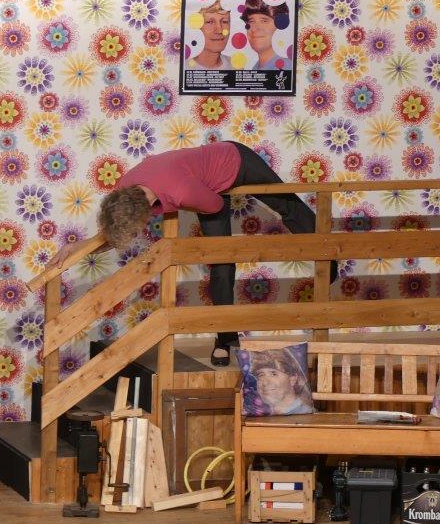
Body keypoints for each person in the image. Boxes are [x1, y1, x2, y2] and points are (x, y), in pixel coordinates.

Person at [47, 142, 327, 366]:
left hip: (235, 161)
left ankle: (329, 256)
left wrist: (189, 194)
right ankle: (226, 339)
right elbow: (118, 228)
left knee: (287, 205)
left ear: (144, 215)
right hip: (202, 186)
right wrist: (79, 246)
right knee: (221, 264)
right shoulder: (125, 189)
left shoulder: (181, 193)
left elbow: (216, 205)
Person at [242, 0, 293, 71]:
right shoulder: (255, 69)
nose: (255, 28)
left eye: (264, 21)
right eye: (251, 21)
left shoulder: (288, 68)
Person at [250, 350, 310, 415]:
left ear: (292, 379)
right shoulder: (266, 413)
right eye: (261, 375)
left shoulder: (304, 412)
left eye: (273, 374)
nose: (265, 383)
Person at [187, 0, 233, 70]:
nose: (219, 30)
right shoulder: (182, 67)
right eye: (210, 22)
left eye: (224, 22)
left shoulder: (235, 66)